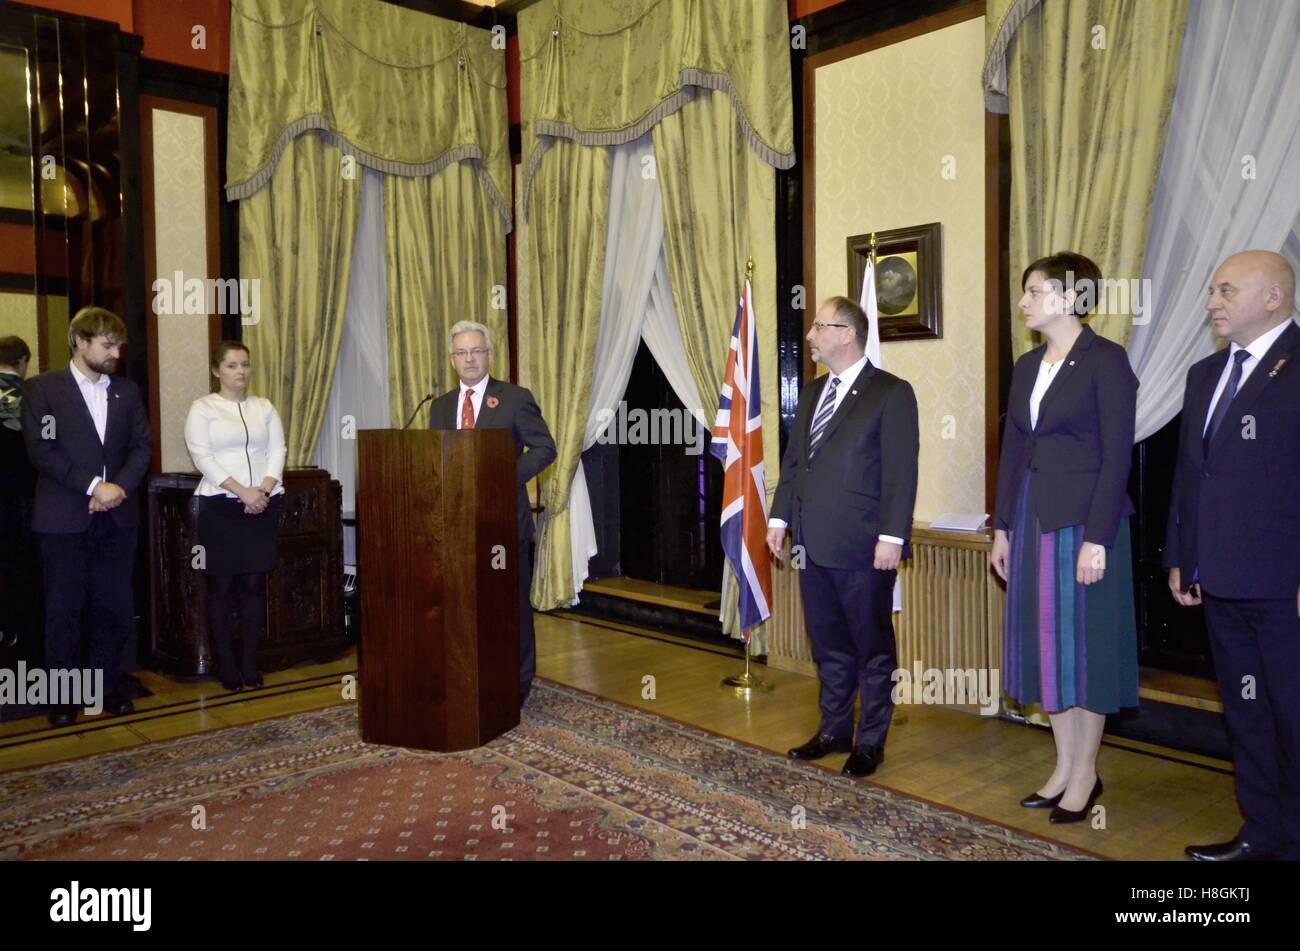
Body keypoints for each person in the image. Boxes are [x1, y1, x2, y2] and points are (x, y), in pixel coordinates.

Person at [990, 252, 1139, 824]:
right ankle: (1061, 765)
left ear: (1070, 297)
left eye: (1034, 290)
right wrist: (1002, 526)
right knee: (1048, 646)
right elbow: (1015, 452)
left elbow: (1116, 457)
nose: (1024, 300)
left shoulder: (1107, 361)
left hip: (1085, 522)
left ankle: (1085, 774)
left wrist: (1097, 538)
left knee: (1085, 650)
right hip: (1031, 517)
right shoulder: (1028, 365)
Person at [1166, 250, 1300, 862]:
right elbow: (1193, 477)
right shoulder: (1203, 374)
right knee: (1246, 713)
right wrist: (1182, 556)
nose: (1212, 303)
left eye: (1225, 291)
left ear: (1273, 297)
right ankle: (1263, 834)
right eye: (1212, 291)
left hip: (1283, 585)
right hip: (1219, 580)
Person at [767, 296, 919, 778]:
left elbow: (901, 472)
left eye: (819, 326)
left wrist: (892, 537)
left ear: (847, 333)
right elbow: (795, 464)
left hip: (863, 545)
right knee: (828, 643)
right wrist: (778, 520)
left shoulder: (891, 393)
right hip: (811, 543)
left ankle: (870, 742)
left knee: (871, 647)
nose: (810, 335)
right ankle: (834, 730)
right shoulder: (811, 393)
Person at [21, 308, 152, 727]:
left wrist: (117, 489)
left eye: (118, 345)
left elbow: (141, 448)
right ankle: (61, 698)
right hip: (63, 519)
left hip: (117, 518)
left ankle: (108, 687)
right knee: (64, 609)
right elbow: (43, 452)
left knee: (112, 607)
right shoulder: (42, 390)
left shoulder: (127, 392)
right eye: (106, 344)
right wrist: (95, 486)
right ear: (79, 341)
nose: (115, 352)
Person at [428, 321, 556, 704]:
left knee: (508, 604)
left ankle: (517, 681)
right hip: (455, 526)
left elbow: (545, 448)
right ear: (452, 360)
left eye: (476, 351)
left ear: (489, 355)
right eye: (462, 353)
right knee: (464, 604)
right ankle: (469, 673)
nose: (469, 359)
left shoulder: (515, 399)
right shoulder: (440, 407)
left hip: (501, 523)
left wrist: (501, 476)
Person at [183, 341, 286, 692]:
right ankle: (225, 666)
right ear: (217, 371)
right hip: (221, 506)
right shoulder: (203, 408)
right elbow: (202, 456)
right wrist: (242, 492)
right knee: (222, 587)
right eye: (231, 365)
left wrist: (263, 491)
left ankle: (250, 662)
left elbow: (277, 450)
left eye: (245, 364)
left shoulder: (265, 407)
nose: (240, 371)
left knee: (254, 584)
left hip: (263, 501)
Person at [1, 336, 39, 658]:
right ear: (23, 360)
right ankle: (22, 640)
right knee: (24, 568)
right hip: (27, 497)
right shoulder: (34, 396)